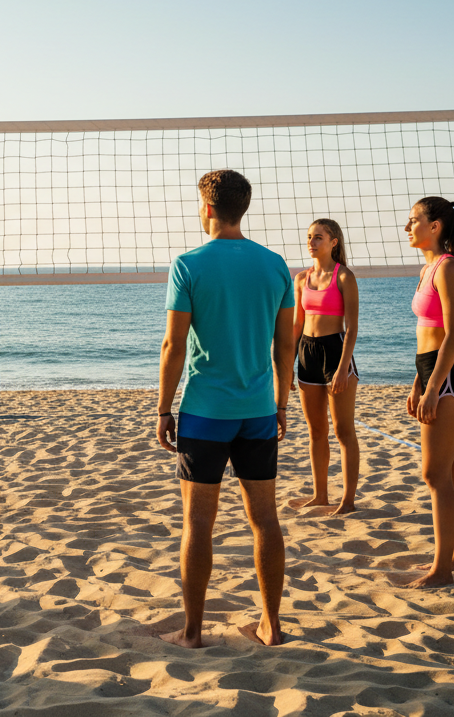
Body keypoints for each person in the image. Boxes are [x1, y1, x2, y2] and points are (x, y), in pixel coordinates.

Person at [156, 169, 295, 648]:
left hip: (205, 414)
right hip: (257, 410)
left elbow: (175, 345)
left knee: (197, 524)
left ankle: (192, 632)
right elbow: (285, 346)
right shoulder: (275, 264)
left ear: (209, 208)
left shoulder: (188, 264)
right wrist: (280, 403)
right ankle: (271, 625)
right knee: (265, 519)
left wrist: (162, 409)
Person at [402, 196, 454, 588]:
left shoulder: (448, 269)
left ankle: (442, 570)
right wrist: (419, 381)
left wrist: (433, 388)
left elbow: (453, 336)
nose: (407, 226)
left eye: (413, 220)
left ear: (435, 226)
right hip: (433, 372)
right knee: (453, 472)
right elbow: (425, 338)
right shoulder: (428, 267)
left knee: (434, 475)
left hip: (448, 378)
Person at [290, 219, 361, 514]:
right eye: (309, 237)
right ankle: (320, 495)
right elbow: (296, 326)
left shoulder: (344, 277)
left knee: (343, 431)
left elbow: (353, 327)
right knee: (316, 431)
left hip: (336, 352)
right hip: (307, 352)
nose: (311, 242)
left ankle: (347, 500)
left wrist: (343, 367)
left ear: (334, 242)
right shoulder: (300, 278)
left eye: (318, 237)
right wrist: (288, 366)